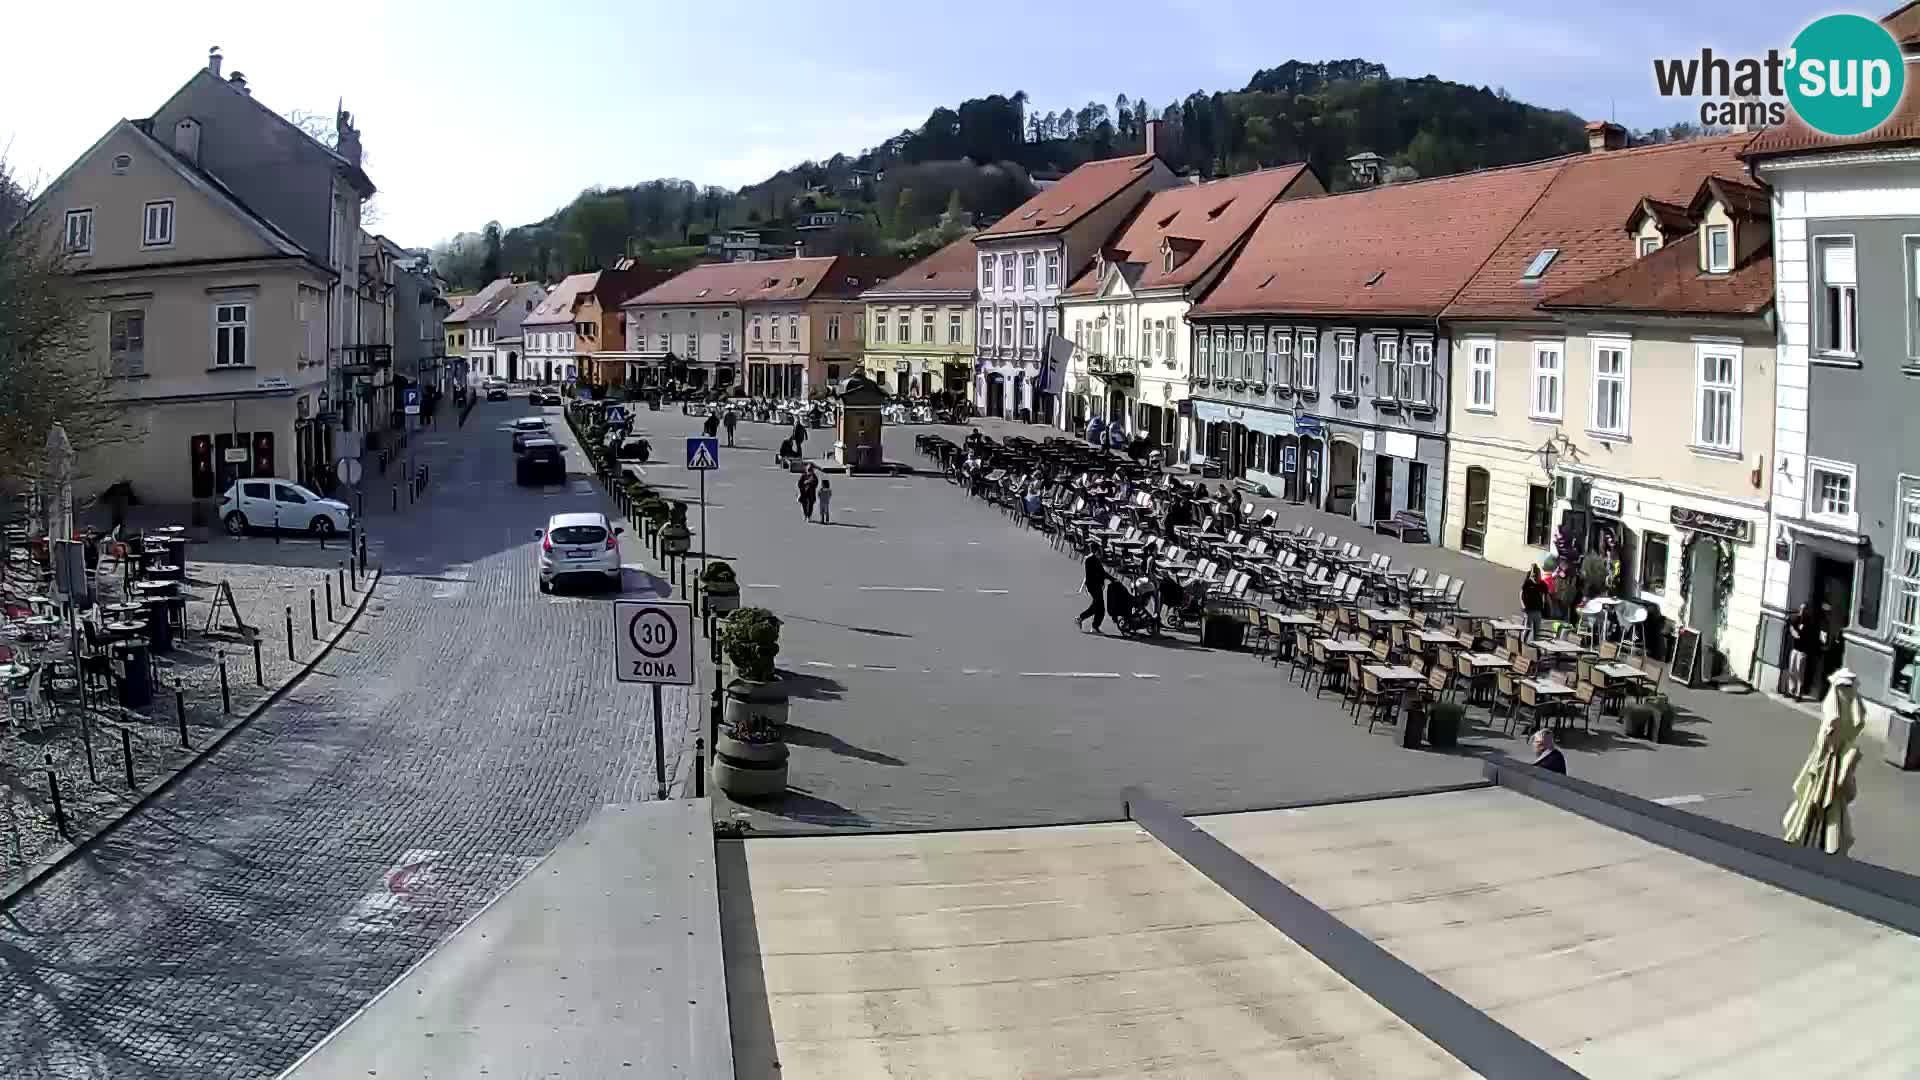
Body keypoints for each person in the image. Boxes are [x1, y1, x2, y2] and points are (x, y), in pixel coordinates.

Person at [1787, 602, 1823, 702]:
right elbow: (1791, 626)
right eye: (1801, 609)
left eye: (1804, 609)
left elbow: (1805, 635)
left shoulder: (1809, 622)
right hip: (1795, 648)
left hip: (1802, 651)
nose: (1801, 611)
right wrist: (1793, 631)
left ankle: (1798, 694)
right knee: (1792, 670)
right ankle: (1791, 690)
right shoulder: (1797, 619)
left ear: (1807, 611)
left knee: (1799, 672)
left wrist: (1798, 634)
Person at [1076, 550, 1108, 633]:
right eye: (1100, 553)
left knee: (1098, 607)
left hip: (1096, 586)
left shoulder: (1094, 560)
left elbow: (1102, 573)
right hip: (1094, 586)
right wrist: (1111, 579)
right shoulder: (1091, 560)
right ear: (1096, 552)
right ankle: (1085, 621)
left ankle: (1092, 625)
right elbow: (1099, 573)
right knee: (1099, 607)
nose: (1101, 555)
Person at [1521, 566, 1548, 640]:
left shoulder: (1543, 584)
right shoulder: (1528, 583)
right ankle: (1523, 643)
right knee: (1527, 629)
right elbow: (1521, 594)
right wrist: (1523, 606)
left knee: (1537, 631)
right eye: (1535, 576)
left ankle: (1536, 647)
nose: (1537, 578)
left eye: (1538, 576)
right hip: (1529, 610)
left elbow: (1545, 595)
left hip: (1538, 610)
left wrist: (1545, 605)